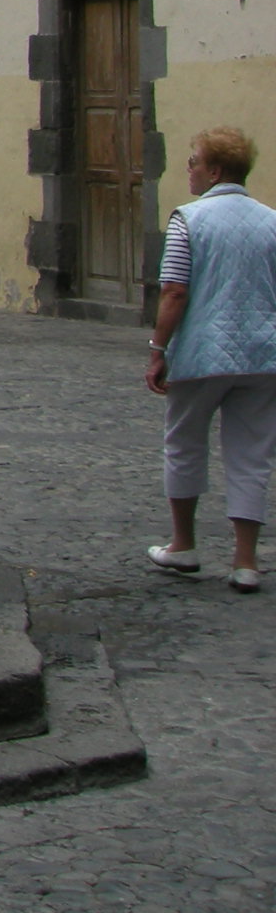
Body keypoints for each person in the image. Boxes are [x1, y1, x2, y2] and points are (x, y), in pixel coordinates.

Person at [146, 126, 276, 592]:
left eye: (194, 161)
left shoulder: (189, 220)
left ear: (214, 170)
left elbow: (175, 291)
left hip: (201, 355)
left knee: (184, 443)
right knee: (251, 456)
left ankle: (183, 544)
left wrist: (158, 350)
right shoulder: (272, 221)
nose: (189, 169)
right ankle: (246, 561)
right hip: (262, 356)